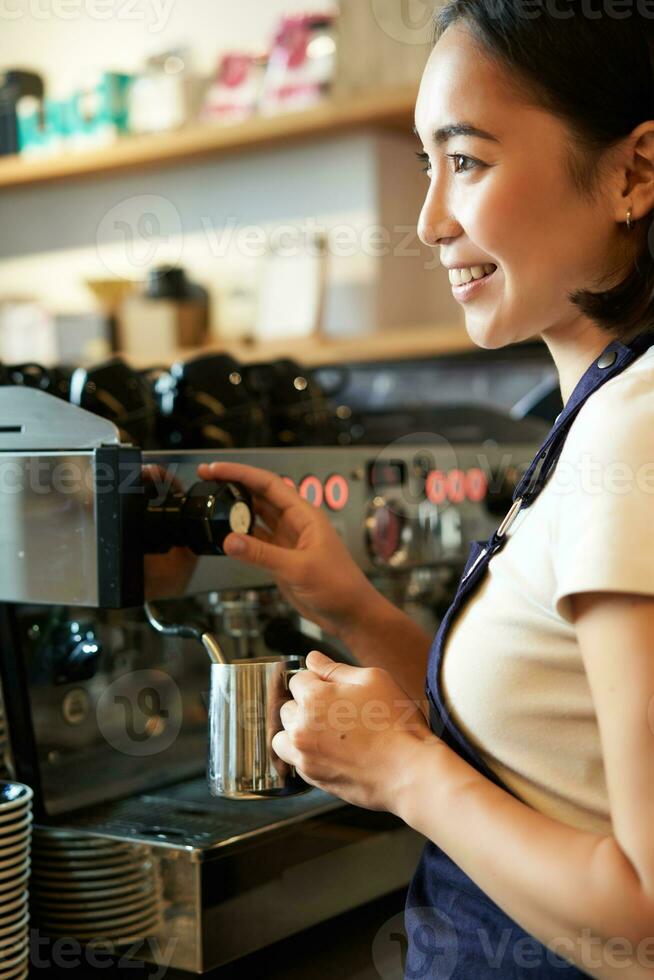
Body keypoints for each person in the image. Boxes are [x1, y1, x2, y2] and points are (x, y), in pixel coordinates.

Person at [199, 3, 654, 977]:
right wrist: (350, 604)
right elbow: (538, 756)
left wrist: (404, 772)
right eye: (427, 165)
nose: (430, 220)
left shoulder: (638, 429)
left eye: (471, 161)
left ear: (634, 172)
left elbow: (645, 922)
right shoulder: (598, 413)